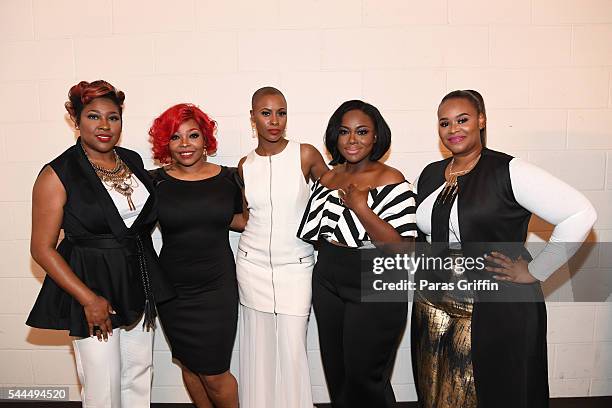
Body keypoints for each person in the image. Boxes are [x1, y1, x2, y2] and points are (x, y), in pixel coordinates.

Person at [411, 90, 597, 408]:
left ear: (481, 120)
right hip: (433, 302)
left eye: (463, 119)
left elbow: (580, 214)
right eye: (445, 122)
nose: (453, 128)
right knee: (435, 390)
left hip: (491, 305)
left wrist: (537, 269)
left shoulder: (508, 170)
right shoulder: (430, 174)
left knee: (489, 389)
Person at [26, 80, 175, 407]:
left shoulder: (132, 161)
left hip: (138, 282)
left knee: (139, 375)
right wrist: (87, 299)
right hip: (90, 286)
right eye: (94, 116)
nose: (105, 126)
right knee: (102, 385)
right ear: (75, 118)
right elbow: (41, 248)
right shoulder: (57, 174)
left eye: (113, 117)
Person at [297, 100, 418, 407]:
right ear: (334, 137)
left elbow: (402, 249)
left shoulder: (392, 179)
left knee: (366, 378)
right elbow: (317, 233)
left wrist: (362, 208)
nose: (353, 140)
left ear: (376, 137)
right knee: (338, 376)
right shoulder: (328, 177)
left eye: (362, 131)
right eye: (344, 132)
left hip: (375, 277)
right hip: (328, 276)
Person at [236, 86, 328, 408]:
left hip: (296, 266)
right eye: (266, 113)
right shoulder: (244, 165)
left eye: (281, 112)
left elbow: (336, 197)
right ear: (253, 118)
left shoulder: (305, 154)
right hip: (251, 265)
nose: (274, 121)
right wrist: (202, 213)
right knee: (259, 350)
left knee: (291, 349)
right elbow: (246, 218)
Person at [149, 103, 244, 408]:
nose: (186, 144)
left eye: (193, 135)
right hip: (172, 290)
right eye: (176, 137)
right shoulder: (153, 182)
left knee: (216, 374)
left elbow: (243, 221)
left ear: (206, 140)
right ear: (166, 143)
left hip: (217, 288)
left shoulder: (230, 178)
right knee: (188, 364)